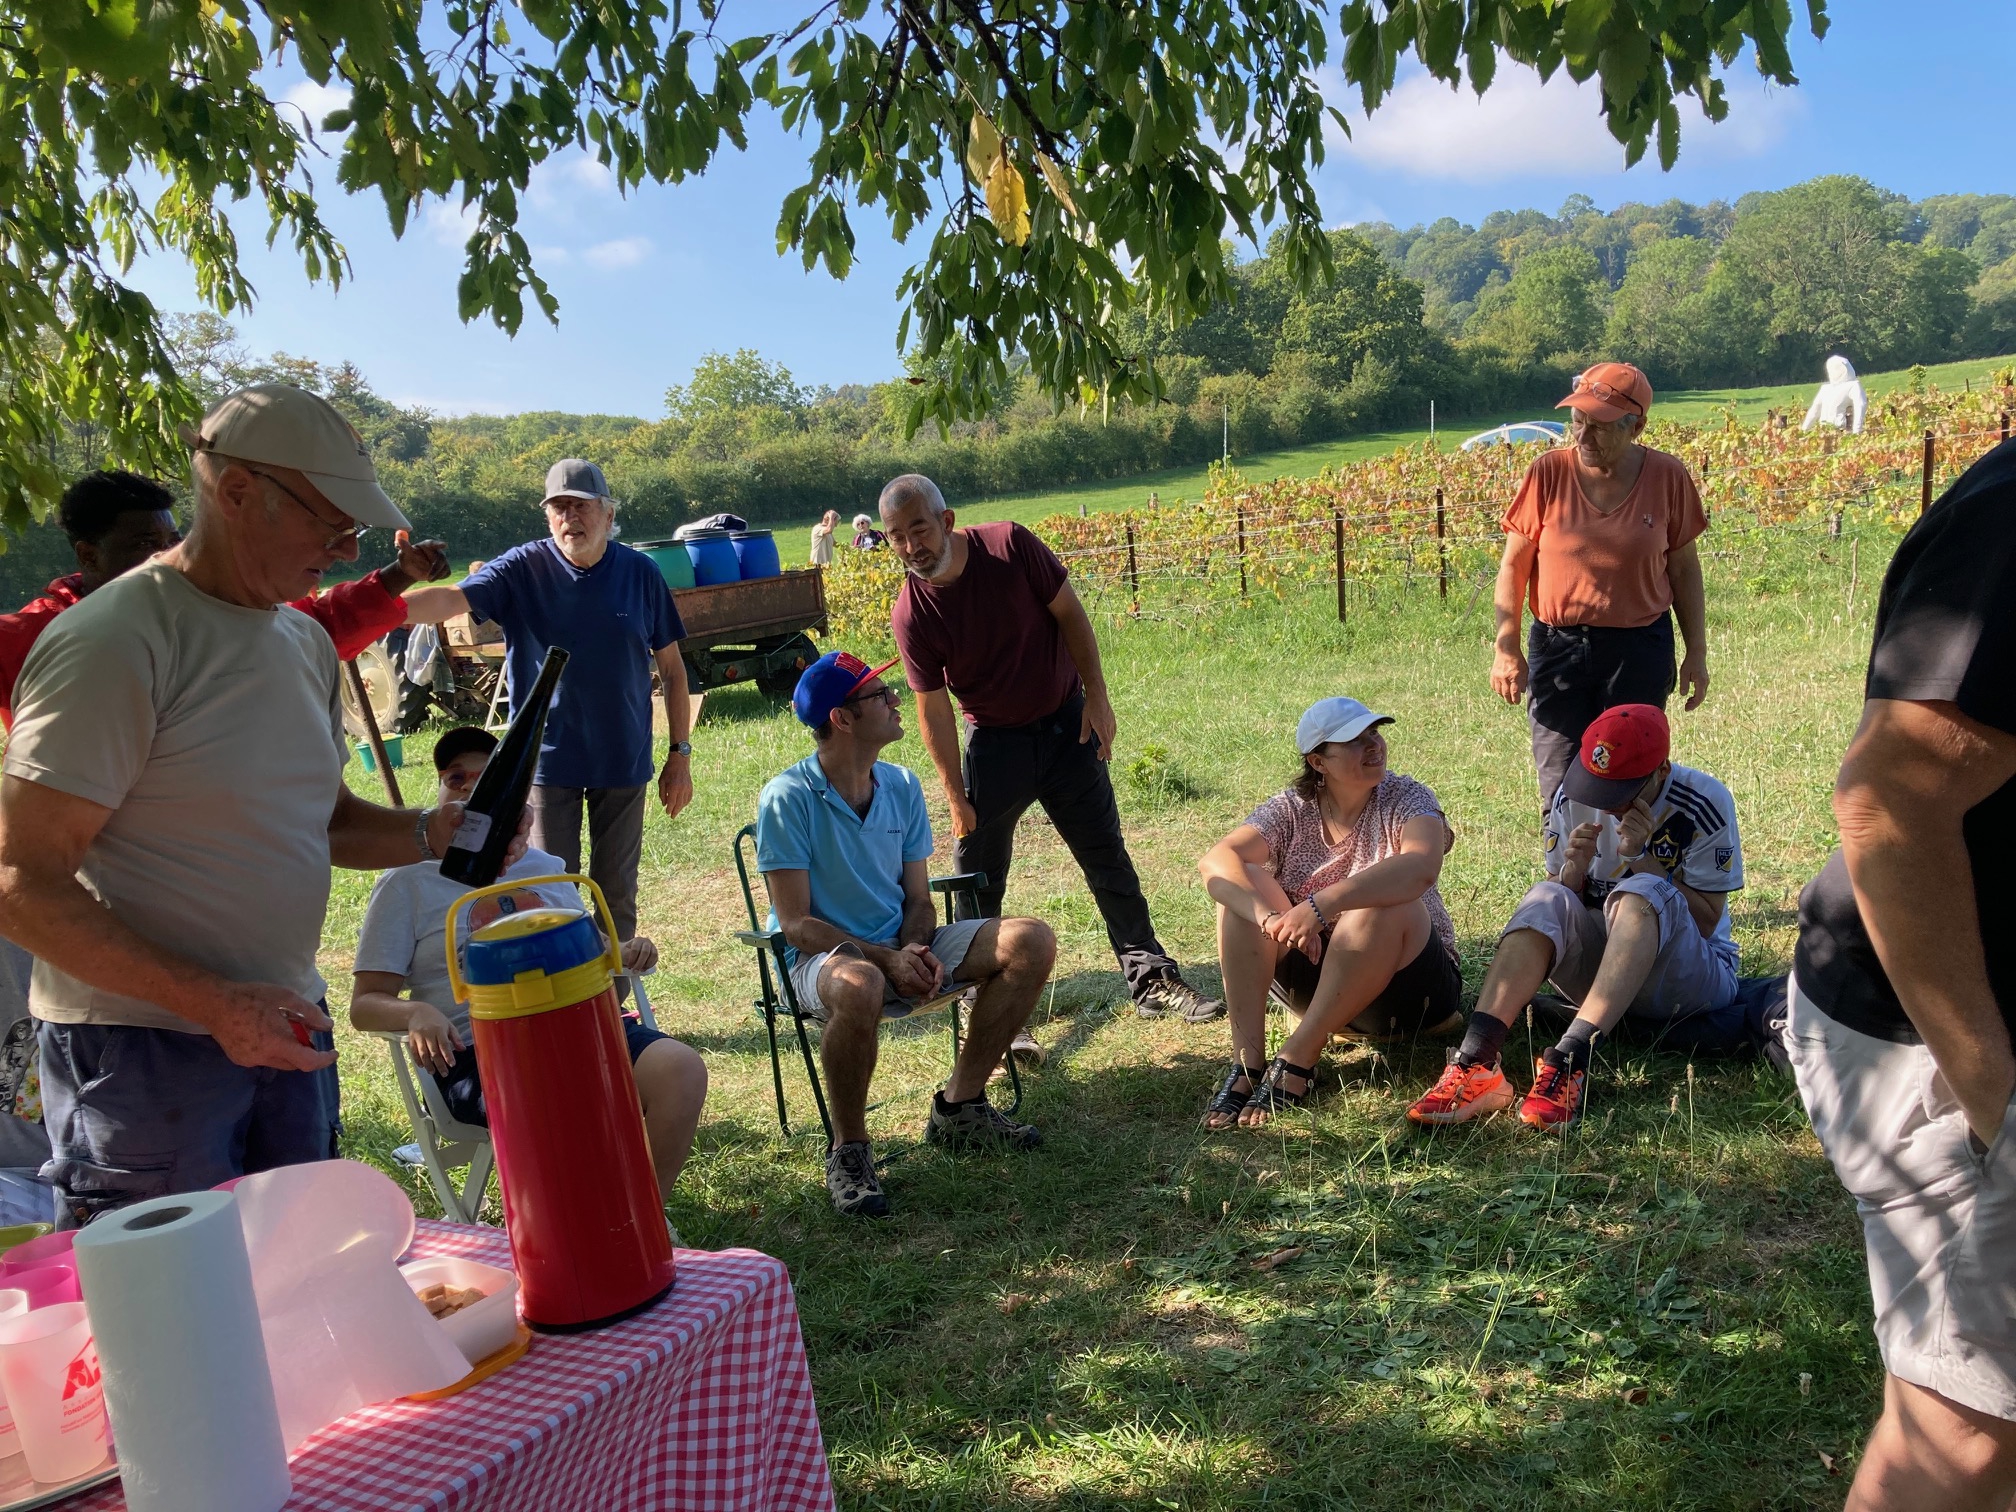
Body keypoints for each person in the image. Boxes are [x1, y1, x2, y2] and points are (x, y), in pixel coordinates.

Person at [0, 383, 522, 1224]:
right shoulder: (114, 639)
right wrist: (214, 1004)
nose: (346, 551)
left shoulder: (301, 639)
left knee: (296, 1275)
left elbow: (329, 819)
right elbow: (21, 881)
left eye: (354, 531)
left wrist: (433, 832)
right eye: (329, 523)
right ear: (237, 491)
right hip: (142, 1051)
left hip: (283, 1024)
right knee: (173, 1298)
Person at [1788, 436, 2016, 1509]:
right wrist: (2000, 1104)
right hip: (1935, 1030)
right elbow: (1889, 802)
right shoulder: (2011, 522)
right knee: (1970, 1429)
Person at [880, 473, 1224, 1024]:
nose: (910, 546)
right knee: (978, 879)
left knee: (1106, 857)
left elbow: (1070, 613)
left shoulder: (1009, 545)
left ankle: (1152, 979)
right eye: (896, 536)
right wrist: (955, 795)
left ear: (946, 520)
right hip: (993, 746)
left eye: (918, 529)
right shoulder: (912, 612)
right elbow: (933, 708)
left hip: (1067, 729)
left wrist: (1098, 697)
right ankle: (979, 1000)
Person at [754, 650, 1055, 1218]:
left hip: (897, 947)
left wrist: (913, 947)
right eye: (879, 694)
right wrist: (884, 960)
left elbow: (918, 898)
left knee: (1031, 940)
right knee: (861, 983)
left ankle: (961, 1107)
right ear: (842, 719)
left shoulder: (901, 784)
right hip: (820, 960)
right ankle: (849, 1152)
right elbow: (796, 924)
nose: (897, 700)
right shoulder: (787, 797)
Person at [349, 727, 706, 1200]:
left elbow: (592, 946)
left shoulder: (543, 867)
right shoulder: (406, 882)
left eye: (487, 778)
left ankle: (641, 1218)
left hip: (584, 1027)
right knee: (558, 1094)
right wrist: (415, 1012)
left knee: (680, 1070)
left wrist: (624, 952)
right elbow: (365, 1004)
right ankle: (585, 1219)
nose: (470, 788)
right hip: (479, 1052)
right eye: (456, 778)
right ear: (438, 790)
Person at [1406, 704, 1742, 1130]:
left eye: (1622, 792)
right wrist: (1572, 876)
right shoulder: (1575, 792)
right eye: (1599, 788)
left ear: (1662, 771)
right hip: (1608, 972)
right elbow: (1560, 907)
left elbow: (1707, 921)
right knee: (1546, 894)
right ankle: (1476, 1060)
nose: (1606, 804)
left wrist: (1642, 859)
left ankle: (1569, 1060)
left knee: (1642, 891)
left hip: (1691, 979)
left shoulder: (1704, 801)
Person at [420, 459, 694, 951]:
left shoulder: (640, 574)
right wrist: (378, 610)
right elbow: (450, 599)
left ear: (608, 515)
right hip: (545, 763)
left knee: (616, 897)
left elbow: (673, 671)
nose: (570, 518)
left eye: (581, 506)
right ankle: (561, 988)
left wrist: (680, 755)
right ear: (547, 517)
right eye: (559, 507)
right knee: (549, 893)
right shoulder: (521, 569)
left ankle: (614, 994)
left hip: (622, 759)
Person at [0, 469, 457, 730]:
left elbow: (313, 626)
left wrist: (402, 574)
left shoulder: (209, 607)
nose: (164, 555)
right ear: (89, 554)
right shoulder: (32, 637)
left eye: (172, 540)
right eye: (143, 544)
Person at [1196, 697, 1460, 1129]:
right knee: (1242, 887)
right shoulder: (1292, 807)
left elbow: (1421, 865)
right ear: (1318, 762)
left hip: (1411, 990)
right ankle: (1247, 1063)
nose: (1373, 745)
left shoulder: (1407, 797)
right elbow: (1216, 860)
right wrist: (1268, 918)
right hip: (1318, 976)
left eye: (1374, 732)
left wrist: (1322, 905)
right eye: (1354, 740)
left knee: (1379, 903)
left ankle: (1298, 1057)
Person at [1491, 362, 1712, 809]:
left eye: (1599, 427)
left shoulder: (1667, 477)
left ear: (1637, 427)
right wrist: (1506, 648)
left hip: (1639, 650)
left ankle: (1632, 856)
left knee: (1632, 778)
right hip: (1559, 648)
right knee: (1560, 783)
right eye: (1578, 422)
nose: (1583, 437)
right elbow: (1513, 566)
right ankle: (1564, 856)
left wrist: (1697, 652)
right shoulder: (1547, 474)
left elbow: (1684, 571)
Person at [1802, 354, 1868, 434]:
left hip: (1838, 431)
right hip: (1824, 431)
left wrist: (1857, 430)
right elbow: (1814, 410)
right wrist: (1804, 431)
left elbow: (1860, 406)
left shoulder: (1852, 386)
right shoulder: (1826, 388)